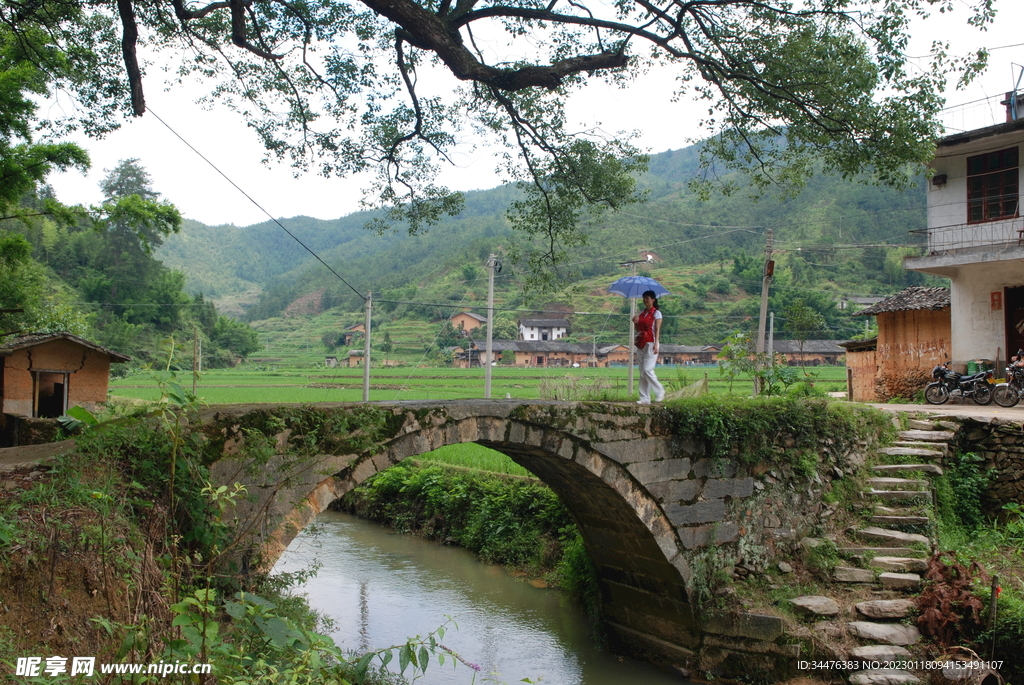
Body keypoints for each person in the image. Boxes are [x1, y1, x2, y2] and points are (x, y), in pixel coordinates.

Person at [632, 290, 665, 404]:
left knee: (647, 369)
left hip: (651, 342)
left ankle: (660, 391)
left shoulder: (656, 313)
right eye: (644, 298)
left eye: (648, 298)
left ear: (653, 299)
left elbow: (657, 330)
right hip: (641, 343)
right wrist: (635, 322)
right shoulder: (641, 313)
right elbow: (638, 330)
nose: (646, 300)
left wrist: (656, 343)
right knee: (642, 372)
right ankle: (644, 398)